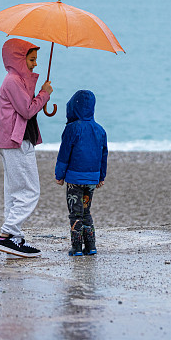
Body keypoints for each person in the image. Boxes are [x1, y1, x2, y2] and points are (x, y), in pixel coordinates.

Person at [0, 38, 53, 258]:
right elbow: (27, 110)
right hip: (16, 142)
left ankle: (12, 238)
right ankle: (6, 235)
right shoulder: (13, 81)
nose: (35, 64)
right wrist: (44, 95)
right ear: (19, 59)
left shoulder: (17, 80)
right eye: (32, 59)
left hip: (12, 140)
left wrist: (39, 93)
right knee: (30, 191)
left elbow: (25, 108)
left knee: (15, 191)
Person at [54, 89, 107, 256]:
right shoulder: (100, 130)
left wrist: (59, 175)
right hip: (92, 179)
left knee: (75, 213)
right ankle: (91, 246)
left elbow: (64, 155)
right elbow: (103, 155)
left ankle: (76, 247)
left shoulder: (72, 129)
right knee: (86, 211)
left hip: (74, 179)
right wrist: (101, 176)